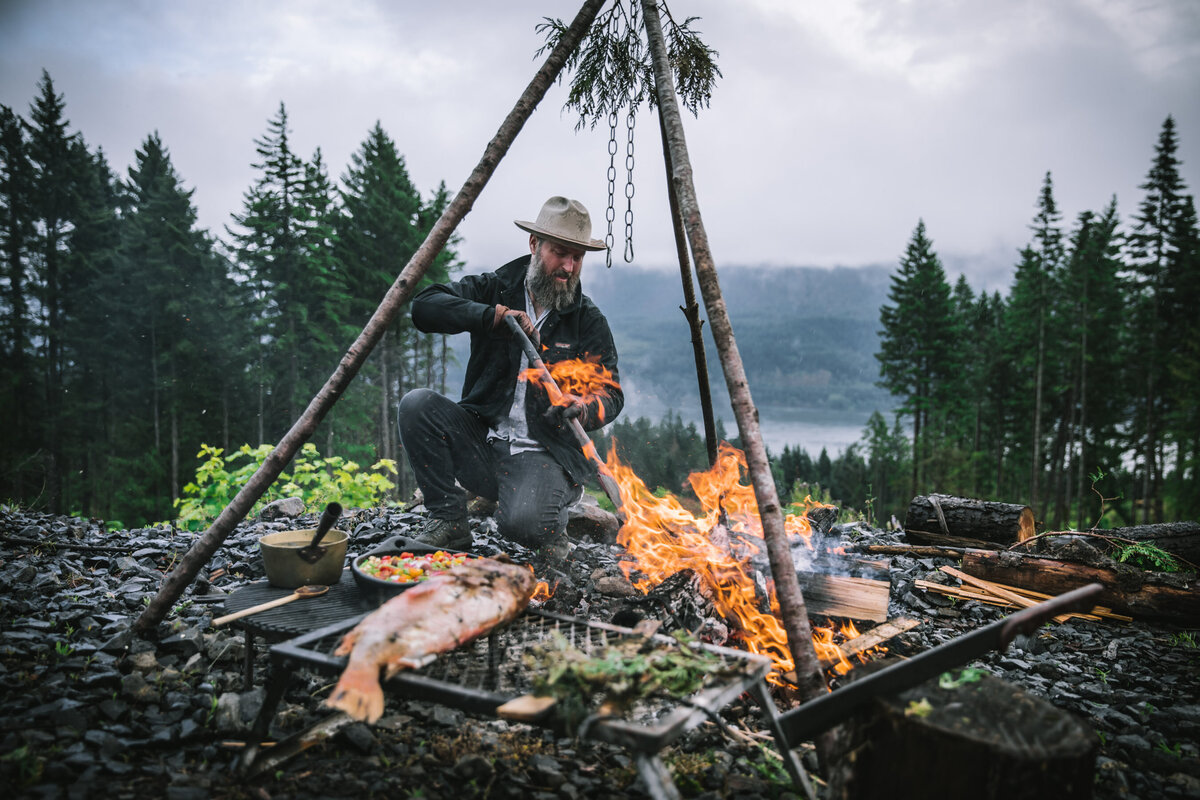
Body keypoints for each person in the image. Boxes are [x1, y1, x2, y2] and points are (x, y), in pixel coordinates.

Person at [397, 196, 623, 558]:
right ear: (534, 244)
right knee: (417, 406)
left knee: (524, 527)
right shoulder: (495, 287)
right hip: (483, 443)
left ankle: (556, 498)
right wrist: (493, 316)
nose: (568, 266)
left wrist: (582, 407)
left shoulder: (587, 320)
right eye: (560, 252)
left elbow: (611, 395)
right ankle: (449, 520)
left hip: (544, 453)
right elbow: (425, 307)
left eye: (577, 257)